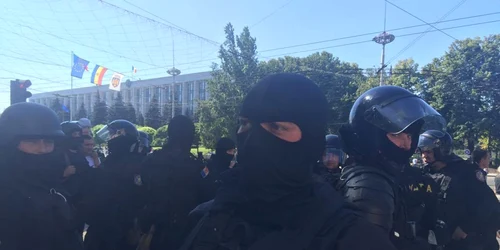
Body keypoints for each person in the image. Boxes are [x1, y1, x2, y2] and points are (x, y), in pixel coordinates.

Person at [181, 73, 397, 250]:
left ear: (311, 139)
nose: (254, 140)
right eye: (245, 123)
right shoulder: (207, 216)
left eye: (277, 127)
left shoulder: (353, 239)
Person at [336, 85, 445, 249]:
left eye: (410, 136)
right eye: (396, 134)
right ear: (371, 136)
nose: (407, 144)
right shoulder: (370, 185)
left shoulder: (390, 173)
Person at [0, 102, 83, 250]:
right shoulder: (6, 191)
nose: (42, 149)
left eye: (48, 142)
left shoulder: (50, 183)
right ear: (9, 143)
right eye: (32, 141)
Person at [140, 115, 215, 250]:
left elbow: (141, 190)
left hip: (154, 229)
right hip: (186, 232)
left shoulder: (150, 161)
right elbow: (208, 197)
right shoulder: (197, 167)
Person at [419, 130, 500, 250]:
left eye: (428, 151)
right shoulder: (427, 173)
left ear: (442, 150)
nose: (424, 156)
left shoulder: (466, 172)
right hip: (444, 239)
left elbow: (488, 205)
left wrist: (465, 228)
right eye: (422, 152)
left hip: (471, 240)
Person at [83, 120, 147, 250]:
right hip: (115, 225)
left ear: (121, 135)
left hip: (113, 227)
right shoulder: (134, 160)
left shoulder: (123, 163)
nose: (109, 139)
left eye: (112, 134)